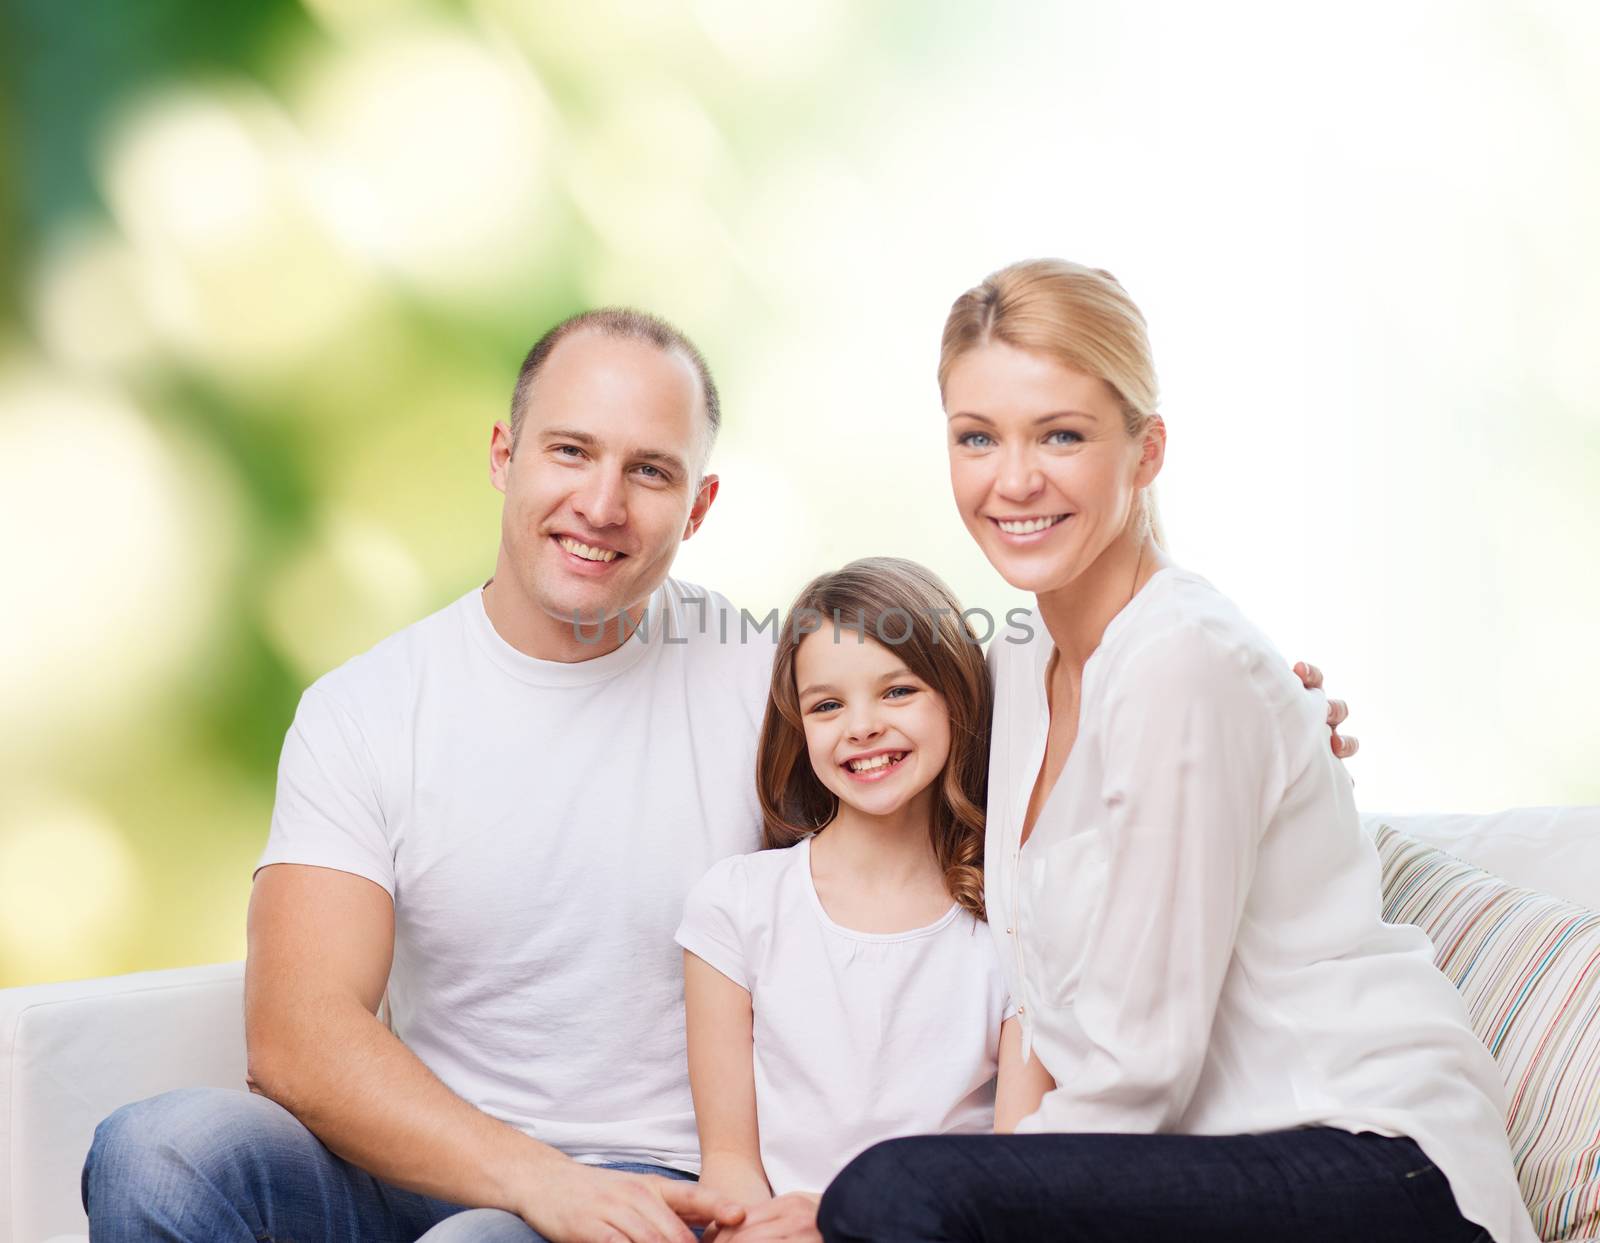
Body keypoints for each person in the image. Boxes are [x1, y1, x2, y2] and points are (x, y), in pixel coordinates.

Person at [82, 301, 1353, 1243]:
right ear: (502, 455)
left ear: (697, 508)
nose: (601, 502)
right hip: (433, 1158)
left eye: (650, 471)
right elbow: (297, 1038)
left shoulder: (766, 686)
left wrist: (1260, 712)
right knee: (161, 1150)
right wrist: (534, 1177)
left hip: (663, 1190)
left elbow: (992, 691)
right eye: (569, 452)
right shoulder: (368, 709)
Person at [815, 259, 1536, 1243]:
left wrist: (977, 1198)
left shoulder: (1182, 660)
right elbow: (1026, 993)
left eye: (1060, 434)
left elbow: (1136, 1070)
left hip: (1376, 1160)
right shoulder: (1020, 664)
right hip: (1196, 1162)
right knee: (904, 1195)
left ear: (1146, 450)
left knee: (892, 1197)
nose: (1013, 478)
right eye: (976, 437)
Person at [676, 559, 1054, 1242]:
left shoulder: (1013, 921)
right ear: (799, 726)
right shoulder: (737, 906)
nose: (861, 726)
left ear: (956, 699)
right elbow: (728, 1165)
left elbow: (1012, 1177)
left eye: (897, 690)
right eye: (827, 704)